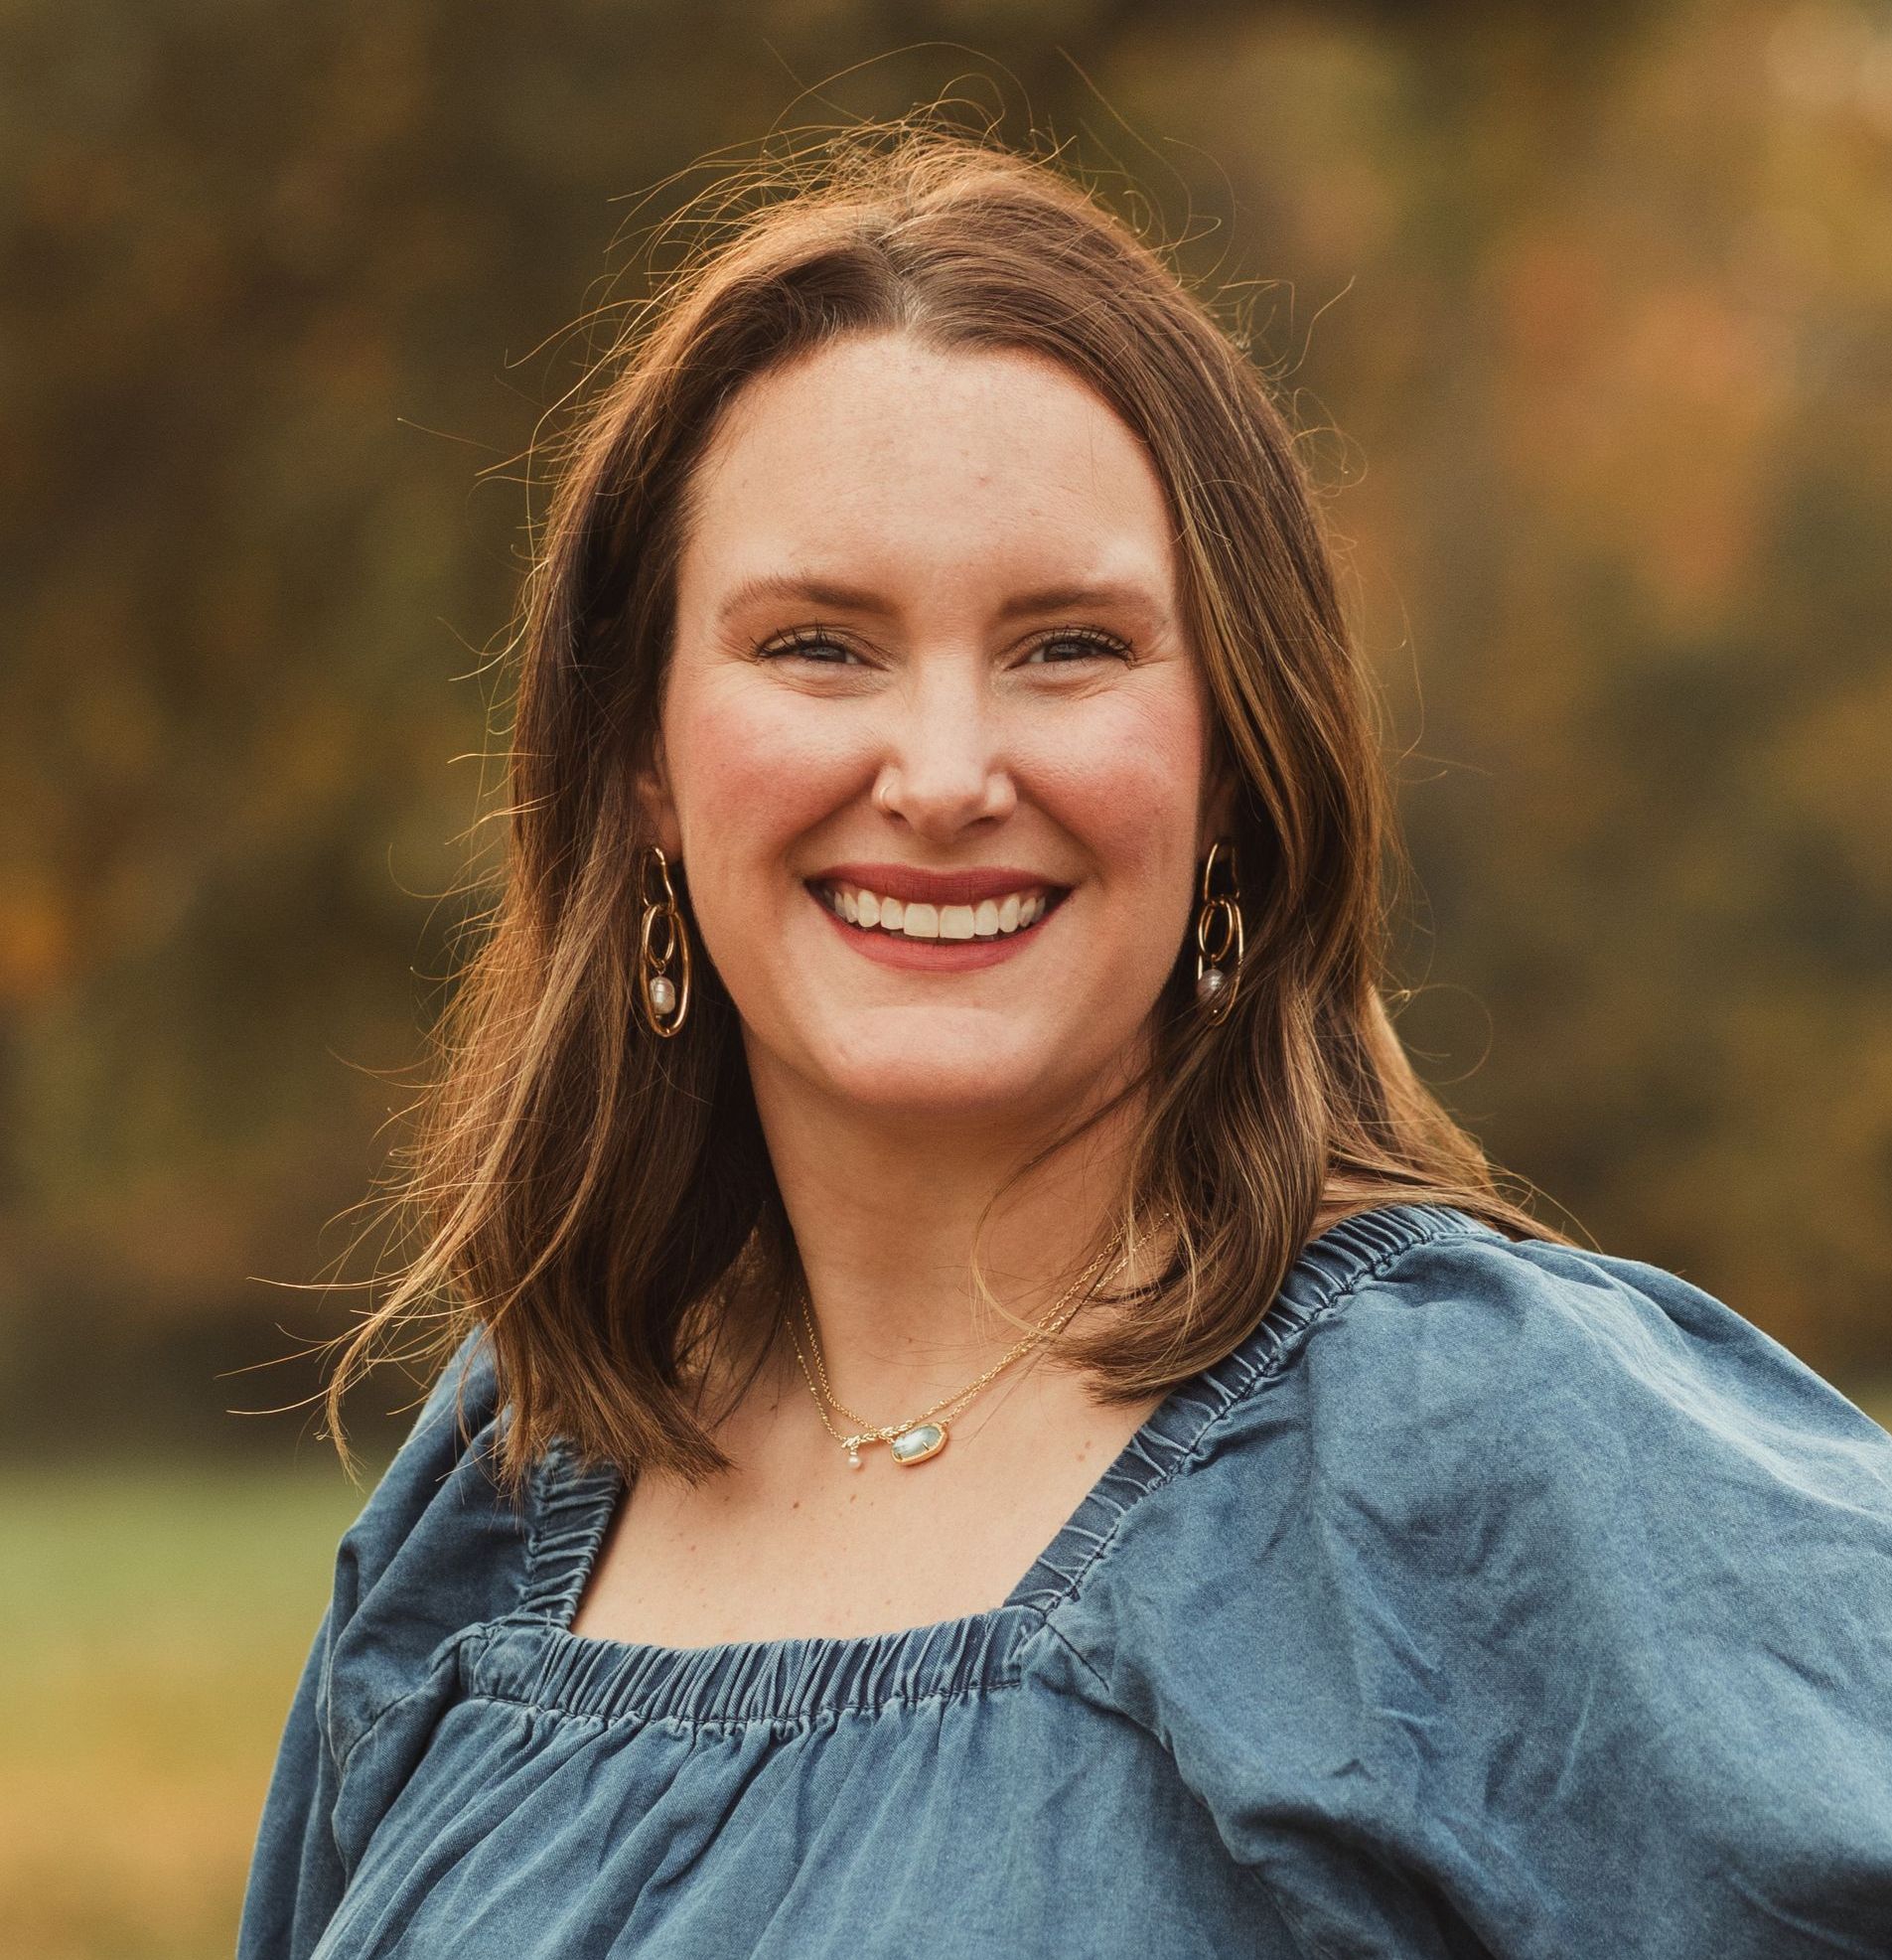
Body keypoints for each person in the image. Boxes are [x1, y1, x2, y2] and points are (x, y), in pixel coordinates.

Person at [236, 127, 1892, 1960]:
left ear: (1235, 760)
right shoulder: (508, 1481)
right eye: (816, 645)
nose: (942, 775)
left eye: (1068, 646)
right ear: (641, 760)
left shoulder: (1484, 1448)